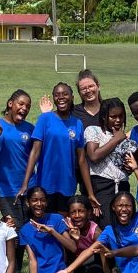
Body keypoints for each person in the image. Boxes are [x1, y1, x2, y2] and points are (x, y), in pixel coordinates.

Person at [19, 83, 99, 216]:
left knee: (62, 225)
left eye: (65, 94)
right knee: (45, 224)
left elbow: (82, 160)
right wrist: (25, 183)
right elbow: (35, 151)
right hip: (45, 184)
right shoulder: (45, 119)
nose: (61, 97)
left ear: (72, 97)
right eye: (57, 95)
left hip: (67, 184)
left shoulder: (77, 124)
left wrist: (90, 193)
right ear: (54, 98)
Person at [0, 89, 34, 273]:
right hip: (5, 190)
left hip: (29, 190)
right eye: (21, 104)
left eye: (28, 106)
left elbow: (35, 157)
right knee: (12, 234)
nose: (24, 108)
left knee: (27, 234)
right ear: (10, 103)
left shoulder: (30, 129)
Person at [8, 187, 77, 273]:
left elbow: (73, 247)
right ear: (28, 203)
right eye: (34, 200)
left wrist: (52, 232)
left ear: (46, 202)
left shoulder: (56, 219)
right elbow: (32, 260)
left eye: (42, 200)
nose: (38, 204)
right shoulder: (25, 230)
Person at [84, 97, 137, 228]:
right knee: (106, 225)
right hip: (102, 186)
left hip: (123, 186)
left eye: (121, 116)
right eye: (113, 117)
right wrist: (116, 139)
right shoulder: (94, 130)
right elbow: (94, 156)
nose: (118, 120)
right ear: (104, 117)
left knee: (124, 225)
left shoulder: (125, 137)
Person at [62, 196, 108, 273]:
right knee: (67, 271)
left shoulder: (95, 231)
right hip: (72, 264)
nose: (77, 215)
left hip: (92, 264)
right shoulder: (65, 229)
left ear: (89, 213)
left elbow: (103, 255)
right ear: (68, 215)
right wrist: (75, 240)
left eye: (81, 211)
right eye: (73, 212)